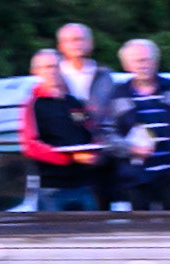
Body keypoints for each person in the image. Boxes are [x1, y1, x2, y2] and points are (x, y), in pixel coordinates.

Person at [108, 39, 170, 211]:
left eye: (147, 59)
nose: (143, 65)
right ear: (127, 66)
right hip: (138, 175)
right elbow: (107, 133)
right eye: (137, 61)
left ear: (156, 61)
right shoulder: (119, 94)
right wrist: (130, 149)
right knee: (142, 230)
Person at [20, 48, 101, 212]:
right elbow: (30, 145)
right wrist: (69, 158)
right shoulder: (34, 105)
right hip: (53, 187)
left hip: (83, 184)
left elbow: (86, 130)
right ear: (36, 72)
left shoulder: (73, 103)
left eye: (56, 66)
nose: (53, 71)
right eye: (47, 67)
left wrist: (94, 152)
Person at [57, 23, 120, 208]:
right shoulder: (54, 74)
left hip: (100, 155)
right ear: (61, 46)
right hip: (64, 156)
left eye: (80, 39)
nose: (75, 44)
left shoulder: (105, 75)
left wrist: (104, 143)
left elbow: (113, 113)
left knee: (100, 211)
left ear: (90, 43)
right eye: (69, 40)